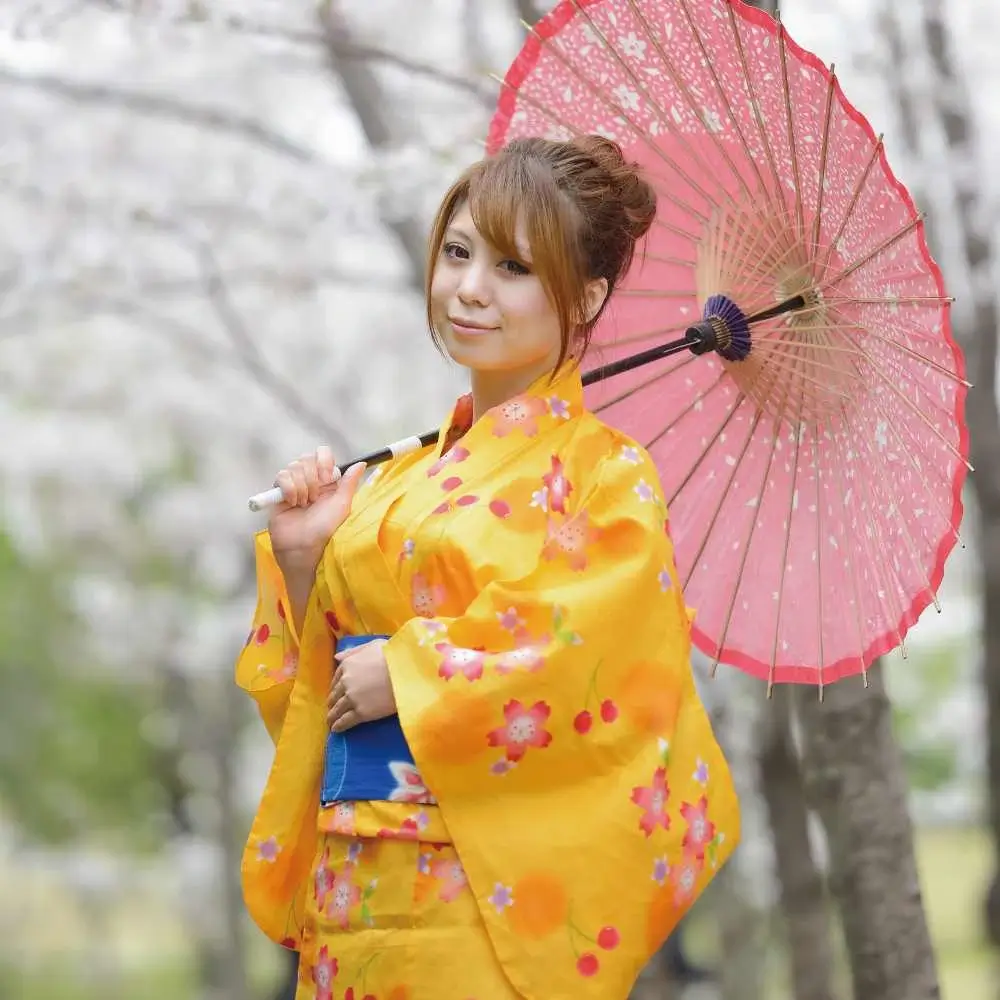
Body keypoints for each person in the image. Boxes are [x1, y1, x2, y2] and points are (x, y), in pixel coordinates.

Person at [236, 134, 740, 1000]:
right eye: (459, 253)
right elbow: (311, 709)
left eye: (513, 267)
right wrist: (302, 560)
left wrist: (414, 669)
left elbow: (593, 648)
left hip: (478, 903)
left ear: (583, 296)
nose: (469, 289)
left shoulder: (602, 474)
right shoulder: (397, 478)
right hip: (349, 890)